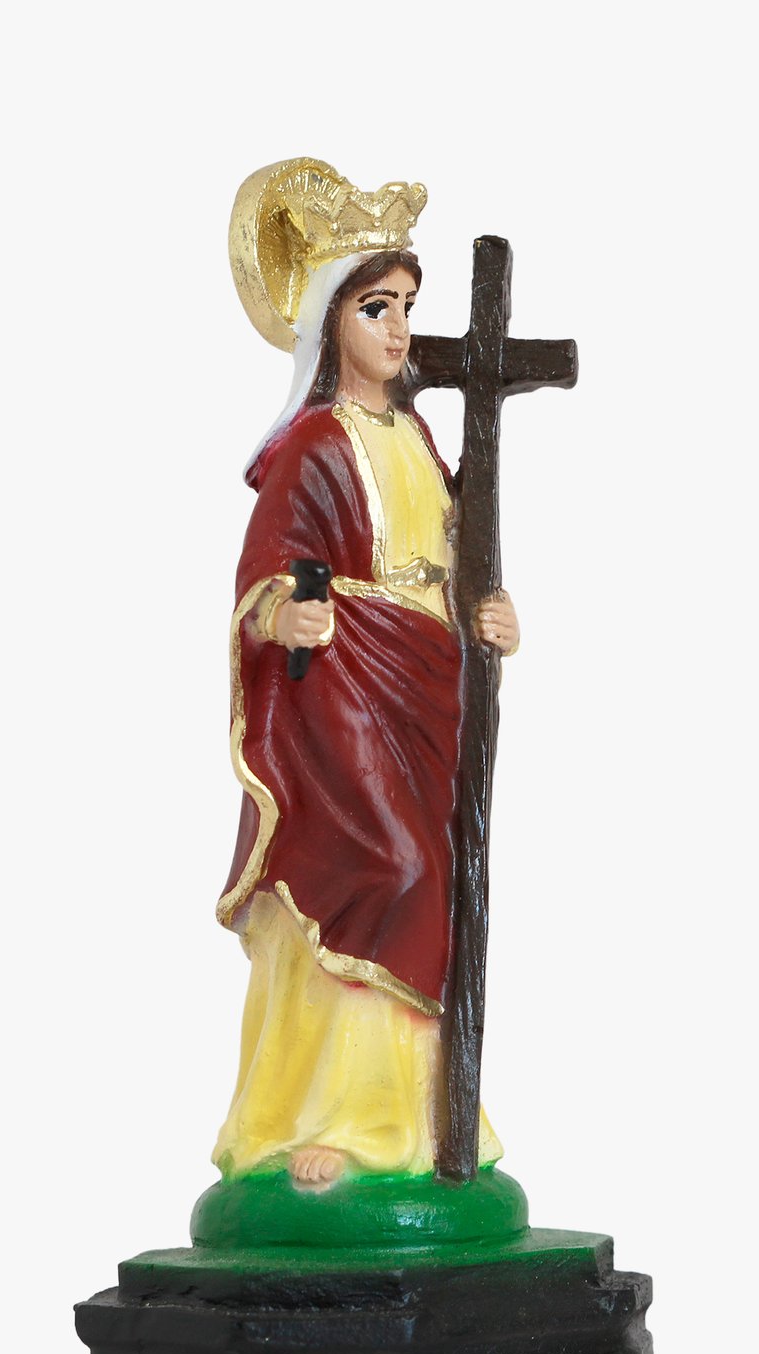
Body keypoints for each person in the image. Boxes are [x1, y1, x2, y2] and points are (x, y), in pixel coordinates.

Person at [214, 162, 519, 1190]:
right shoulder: (313, 442)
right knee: (379, 870)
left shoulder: (418, 436)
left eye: (407, 307)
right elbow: (268, 571)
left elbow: (457, 547)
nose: (398, 331)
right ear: (330, 318)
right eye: (376, 308)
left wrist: (488, 612)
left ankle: (415, 1122)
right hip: (342, 684)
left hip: (425, 683)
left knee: (432, 879)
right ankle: (319, 1118)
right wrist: (283, 612)